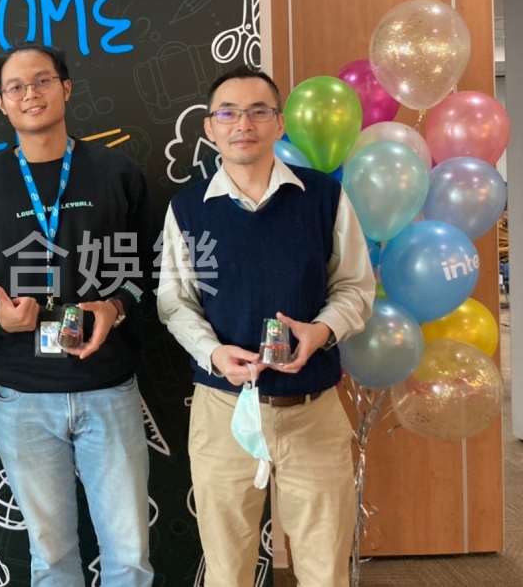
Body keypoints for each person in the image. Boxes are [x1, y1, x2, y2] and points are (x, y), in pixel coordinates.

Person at [157, 65, 375, 587]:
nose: (243, 124)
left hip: (312, 411)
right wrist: (213, 353)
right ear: (210, 128)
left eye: (258, 111)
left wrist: (321, 332)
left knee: (325, 569)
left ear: (280, 124)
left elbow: (355, 287)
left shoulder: (323, 197)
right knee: (226, 569)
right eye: (228, 113)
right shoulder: (188, 210)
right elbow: (174, 302)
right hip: (224, 411)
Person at [0, 43, 155, 586]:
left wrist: (115, 306)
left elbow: (148, 268)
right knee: (50, 556)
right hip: (23, 396)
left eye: (42, 81)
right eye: (15, 87)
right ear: (1, 103)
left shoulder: (116, 172)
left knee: (130, 554)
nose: (30, 94)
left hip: (108, 387)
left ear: (66, 87)